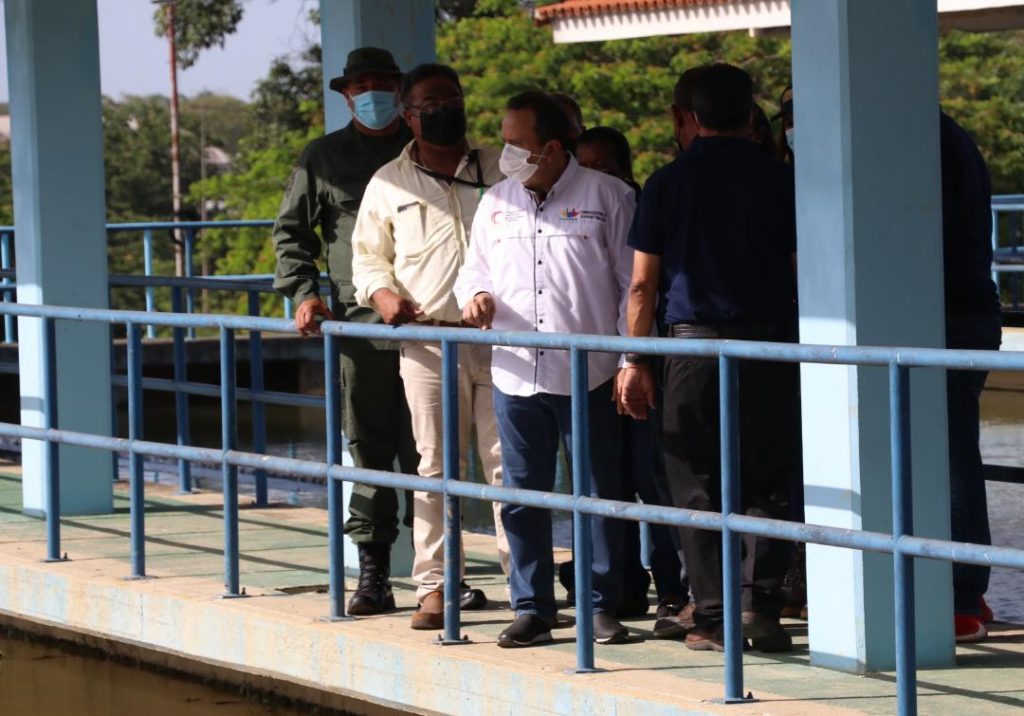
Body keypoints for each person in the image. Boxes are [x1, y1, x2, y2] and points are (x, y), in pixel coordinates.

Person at [621, 64, 800, 653]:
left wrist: (635, 359)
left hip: (691, 348)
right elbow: (802, 269)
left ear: (688, 118)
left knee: (693, 480)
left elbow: (642, 285)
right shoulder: (782, 180)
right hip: (770, 346)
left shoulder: (666, 183)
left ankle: (713, 616)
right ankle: (762, 609)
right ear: (751, 116)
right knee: (770, 478)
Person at [455, 91, 635, 648]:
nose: (505, 152)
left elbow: (632, 286)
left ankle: (600, 605)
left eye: (516, 143)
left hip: (591, 372)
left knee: (597, 495)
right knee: (520, 496)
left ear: (552, 148)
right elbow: (473, 269)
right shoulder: (496, 200)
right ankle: (532, 607)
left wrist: (630, 359)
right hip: (514, 371)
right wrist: (477, 295)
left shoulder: (609, 196)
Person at [351, 63, 508, 631]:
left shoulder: (501, 167)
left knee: (508, 466)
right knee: (436, 467)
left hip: (504, 341)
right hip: (427, 340)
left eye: (452, 99)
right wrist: (382, 295)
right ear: (408, 115)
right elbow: (367, 258)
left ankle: (525, 584)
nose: (445, 110)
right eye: (430, 104)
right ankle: (436, 588)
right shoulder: (388, 183)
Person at [272, 47, 418, 617]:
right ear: (347, 94)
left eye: (383, 83)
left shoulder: (426, 149)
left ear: (399, 90)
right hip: (361, 332)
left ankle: (441, 576)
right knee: (371, 452)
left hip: (434, 327)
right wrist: (305, 293)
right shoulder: (323, 157)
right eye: (363, 85)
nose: (373, 93)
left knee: (436, 457)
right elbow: (291, 233)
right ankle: (374, 575)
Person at [574, 126, 691, 634]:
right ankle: (620, 587)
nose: (592, 178)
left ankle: (673, 591)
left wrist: (637, 358)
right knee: (606, 483)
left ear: (624, 169)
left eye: (602, 167)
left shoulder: (645, 207)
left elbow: (645, 288)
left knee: (657, 482)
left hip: (647, 370)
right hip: (595, 373)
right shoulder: (571, 213)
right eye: (584, 168)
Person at [940, 110, 1002, 643]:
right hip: (970, 310)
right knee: (955, 449)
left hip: (947, 316)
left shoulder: (922, 140)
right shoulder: (953, 137)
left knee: (950, 452)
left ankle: (961, 593)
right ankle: (967, 591)